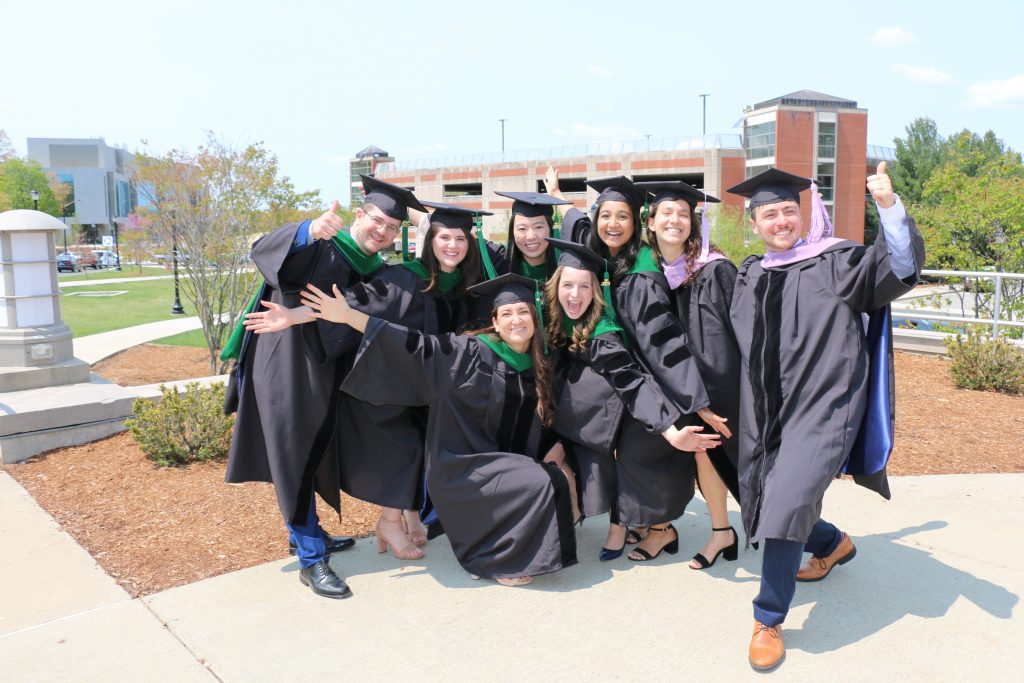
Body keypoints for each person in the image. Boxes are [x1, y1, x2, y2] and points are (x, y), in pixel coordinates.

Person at [726, 164, 923, 671]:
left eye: (789, 210)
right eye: (769, 214)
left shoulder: (837, 263)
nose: (781, 221)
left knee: (788, 497)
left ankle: (768, 617)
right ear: (754, 223)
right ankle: (832, 544)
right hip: (765, 413)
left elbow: (897, 269)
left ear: (804, 212)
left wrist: (889, 207)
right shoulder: (749, 274)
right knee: (773, 497)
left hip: (822, 411)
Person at [301, 273, 577, 586]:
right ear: (495, 323)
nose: (516, 320)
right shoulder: (468, 352)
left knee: (555, 477)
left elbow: (551, 418)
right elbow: (415, 345)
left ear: (535, 317)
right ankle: (490, 560)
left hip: (505, 464)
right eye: (507, 314)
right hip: (461, 467)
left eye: (523, 312)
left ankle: (510, 548)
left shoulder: (540, 363)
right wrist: (350, 316)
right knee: (540, 480)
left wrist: (558, 451)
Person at [245, 202, 486, 560]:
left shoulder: (470, 285)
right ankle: (371, 528)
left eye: (460, 238)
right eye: (443, 236)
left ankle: (409, 518)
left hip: (434, 382)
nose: (452, 245)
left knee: (429, 441)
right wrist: (292, 315)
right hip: (392, 380)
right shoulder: (406, 276)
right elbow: (354, 305)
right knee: (403, 444)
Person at [225, 175, 425, 599]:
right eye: (378, 220)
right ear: (360, 213)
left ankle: (305, 533)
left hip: (327, 369)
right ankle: (312, 559)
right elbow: (266, 253)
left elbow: (364, 312)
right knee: (294, 455)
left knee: (313, 453)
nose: (383, 231)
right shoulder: (322, 243)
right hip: (287, 365)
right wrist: (307, 230)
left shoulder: (377, 270)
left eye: (392, 227)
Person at [548, 171, 722, 562]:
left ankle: (658, 528)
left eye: (622, 216)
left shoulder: (642, 271)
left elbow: (663, 341)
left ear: (637, 221)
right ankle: (642, 524)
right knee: (616, 451)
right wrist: (559, 197)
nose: (612, 224)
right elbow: (576, 219)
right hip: (613, 371)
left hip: (648, 374)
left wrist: (694, 397)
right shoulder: (595, 252)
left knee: (642, 454)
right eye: (605, 215)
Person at [636, 180, 741, 571]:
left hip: (722, 388)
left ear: (694, 224)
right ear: (650, 222)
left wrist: (714, 395)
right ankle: (721, 532)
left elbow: (739, 334)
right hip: (680, 385)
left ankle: (815, 536)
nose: (675, 220)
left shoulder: (715, 269)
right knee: (702, 456)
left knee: (736, 463)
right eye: (667, 213)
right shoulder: (651, 272)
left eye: (683, 214)